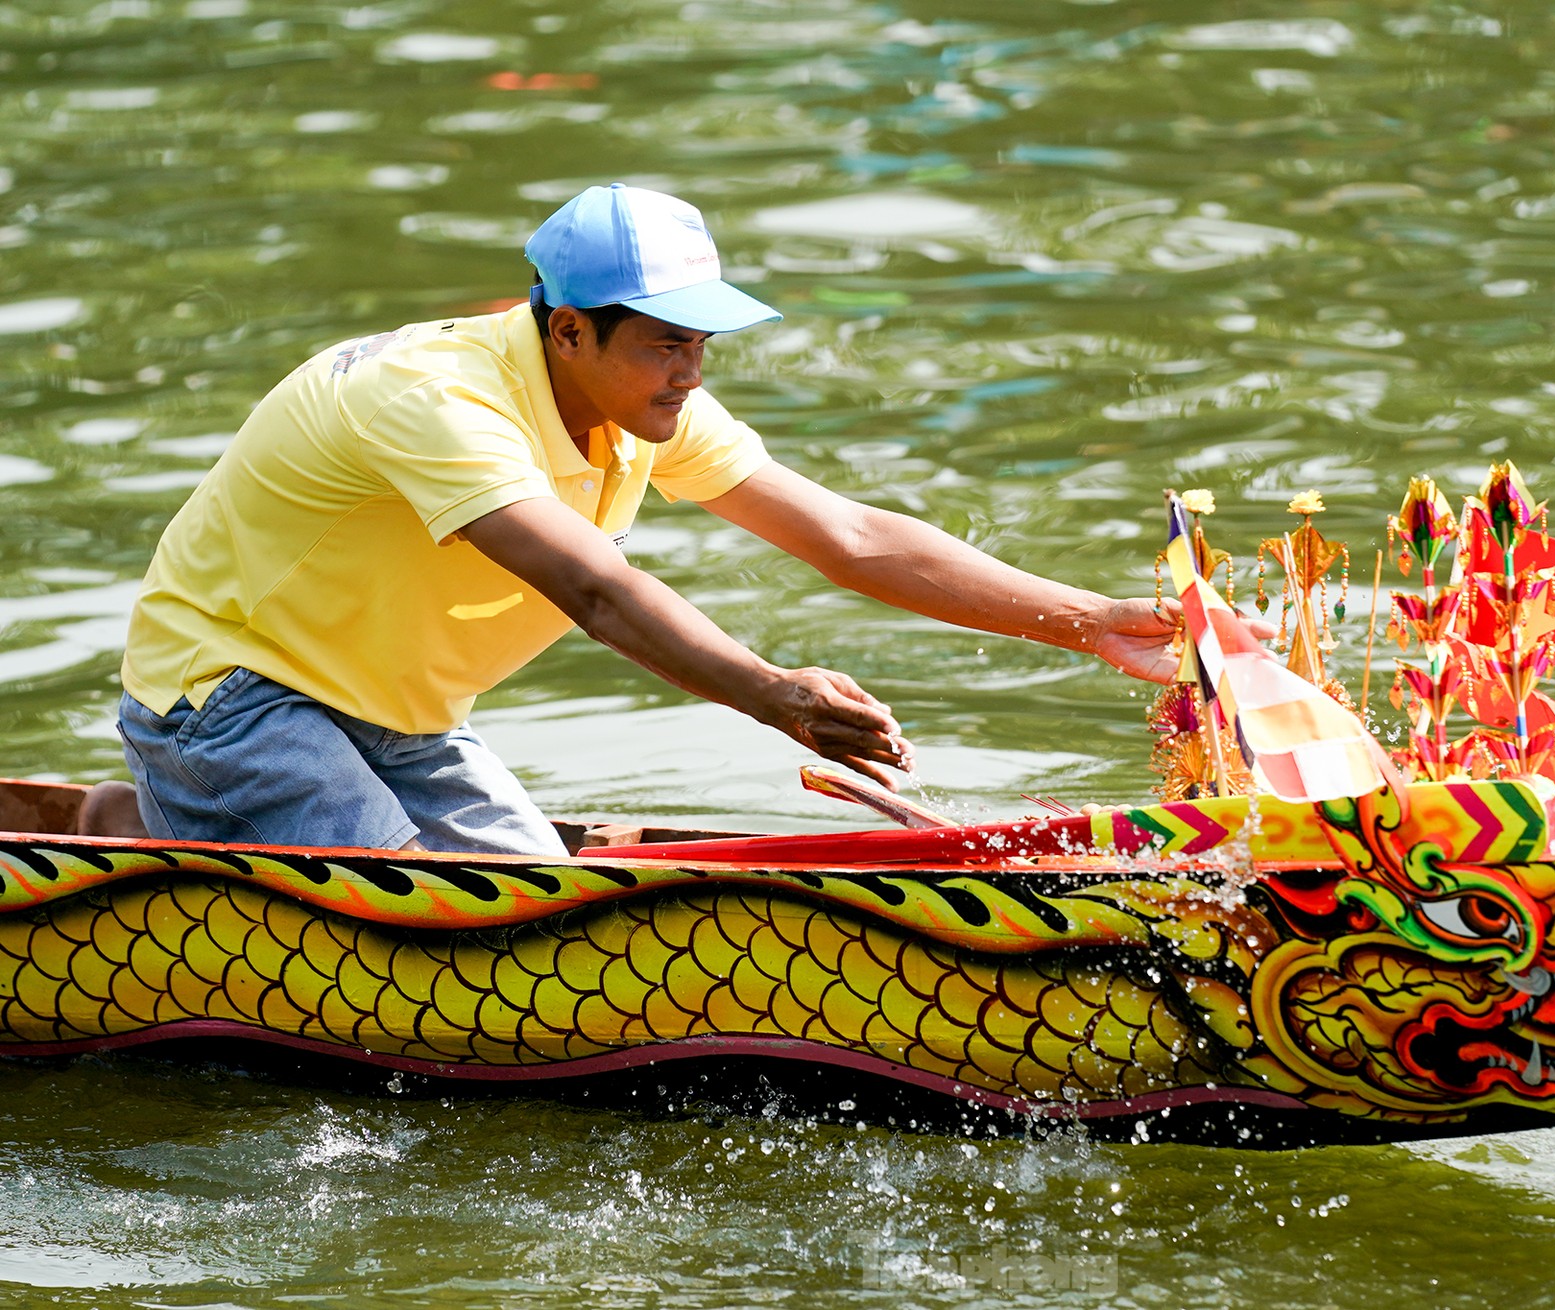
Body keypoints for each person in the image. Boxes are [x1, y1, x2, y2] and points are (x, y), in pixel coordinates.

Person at [115, 183, 1179, 855]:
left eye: (701, 344)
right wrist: (774, 696)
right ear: (566, 330)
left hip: (399, 711)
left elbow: (846, 536)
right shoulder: (437, 397)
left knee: (537, 919)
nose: (691, 372)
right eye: (665, 343)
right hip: (235, 702)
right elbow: (596, 590)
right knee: (444, 949)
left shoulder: (641, 400)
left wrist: (1090, 620)